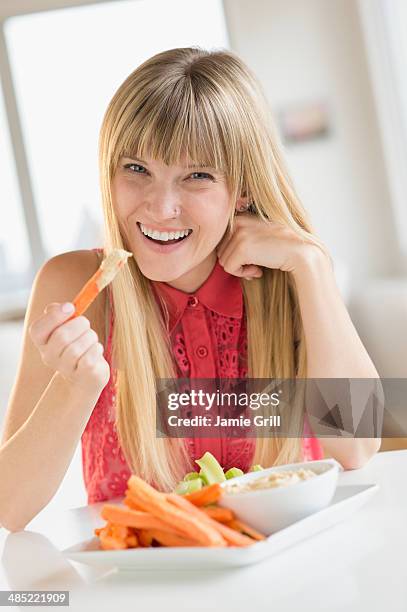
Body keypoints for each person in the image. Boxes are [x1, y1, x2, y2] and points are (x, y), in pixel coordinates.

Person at [0, 47, 380, 531]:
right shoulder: (76, 286)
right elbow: (10, 509)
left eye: (197, 176)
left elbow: (357, 446)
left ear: (241, 188)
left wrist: (312, 264)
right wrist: (75, 387)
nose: (160, 207)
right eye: (136, 169)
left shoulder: (291, 278)